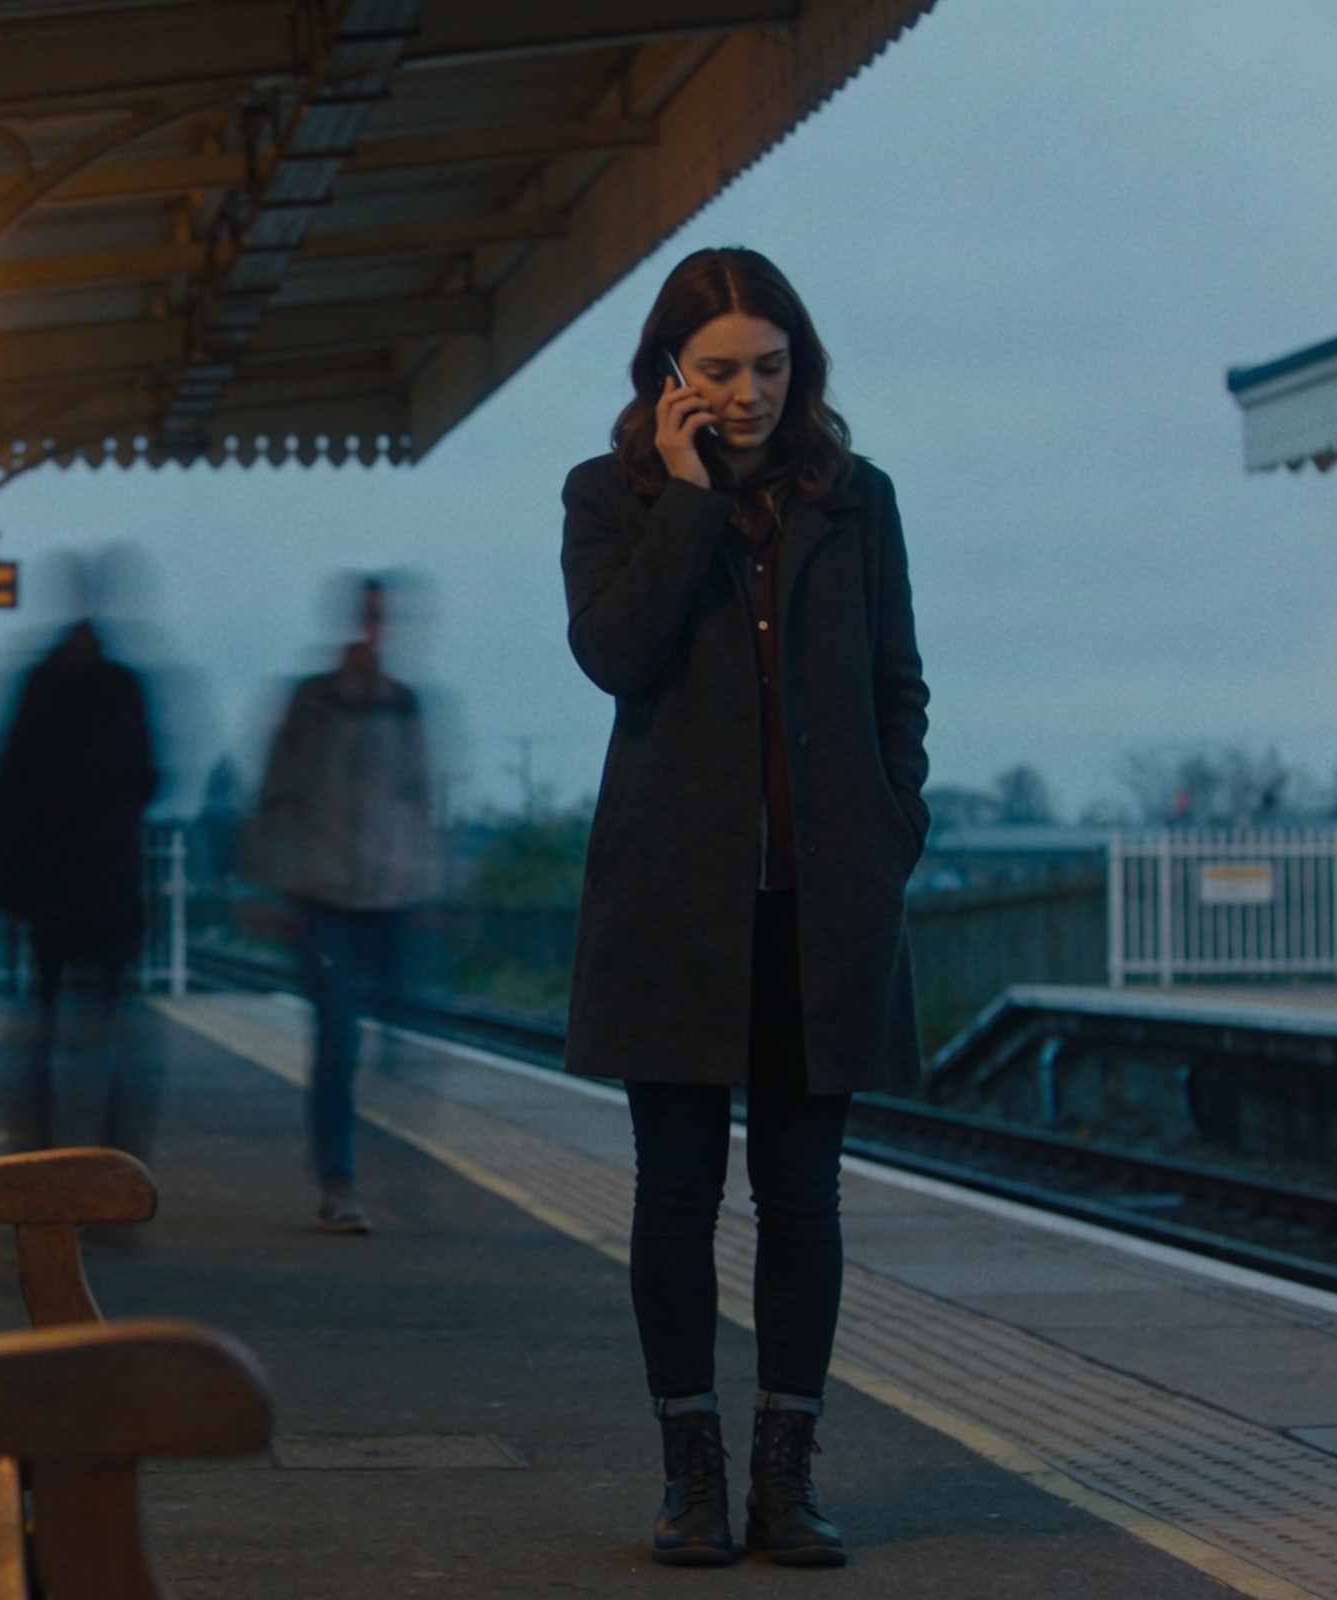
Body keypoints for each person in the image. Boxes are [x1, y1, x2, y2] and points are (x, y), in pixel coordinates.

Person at [558, 247, 929, 1569]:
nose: (751, 391)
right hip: (673, 906)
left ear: (800, 366)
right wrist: (691, 501)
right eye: (721, 370)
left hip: (819, 908)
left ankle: (789, 1478)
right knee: (673, 1197)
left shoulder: (857, 500)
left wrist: (894, 828)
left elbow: (900, 684)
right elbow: (614, 652)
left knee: (804, 1200)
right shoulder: (612, 495)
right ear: (669, 373)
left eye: (771, 366)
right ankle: (690, 1480)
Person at [247, 575, 443, 1235]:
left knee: (401, 1037)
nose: (376, 629)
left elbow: (421, 799)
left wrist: (425, 885)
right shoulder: (314, 701)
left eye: (385, 618)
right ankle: (340, 1179)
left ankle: (389, 1167)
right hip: (322, 893)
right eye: (368, 616)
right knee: (339, 1040)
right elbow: (278, 793)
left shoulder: (404, 706)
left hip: (392, 893)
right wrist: (275, 886)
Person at [0, 605, 162, 1167]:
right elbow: (147, 777)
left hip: (47, 893)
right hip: (110, 890)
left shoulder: (39, 687)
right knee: (115, 1039)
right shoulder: (125, 688)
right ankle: (112, 1163)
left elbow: (9, 779)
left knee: (38, 1034)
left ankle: (37, 1161)